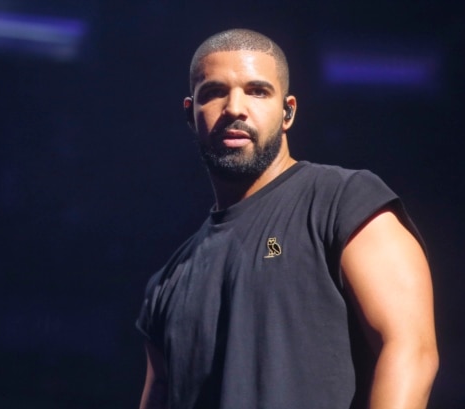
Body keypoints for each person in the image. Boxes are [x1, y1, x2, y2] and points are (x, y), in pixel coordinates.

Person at [136, 28, 438, 409]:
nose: (235, 108)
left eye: (257, 91)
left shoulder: (342, 201)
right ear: (190, 114)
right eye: (214, 92)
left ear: (287, 112)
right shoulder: (167, 282)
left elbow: (410, 348)